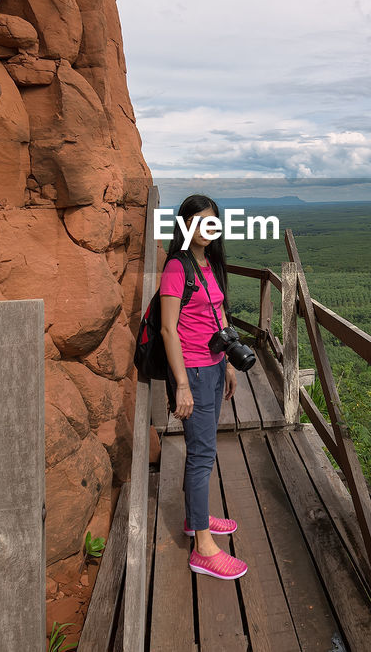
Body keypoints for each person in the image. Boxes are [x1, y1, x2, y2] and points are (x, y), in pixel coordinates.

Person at [159, 194, 248, 580]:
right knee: (201, 456)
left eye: (212, 222)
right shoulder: (177, 267)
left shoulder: (208, 264)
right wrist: (181, 384)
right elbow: (167, 328)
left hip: (213, 367)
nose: (206, 229)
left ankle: (195, 518)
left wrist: (227, 360)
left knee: (204, 450)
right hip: (192, 372)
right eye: (198, 222)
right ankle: (203, 547)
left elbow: (219, 314)